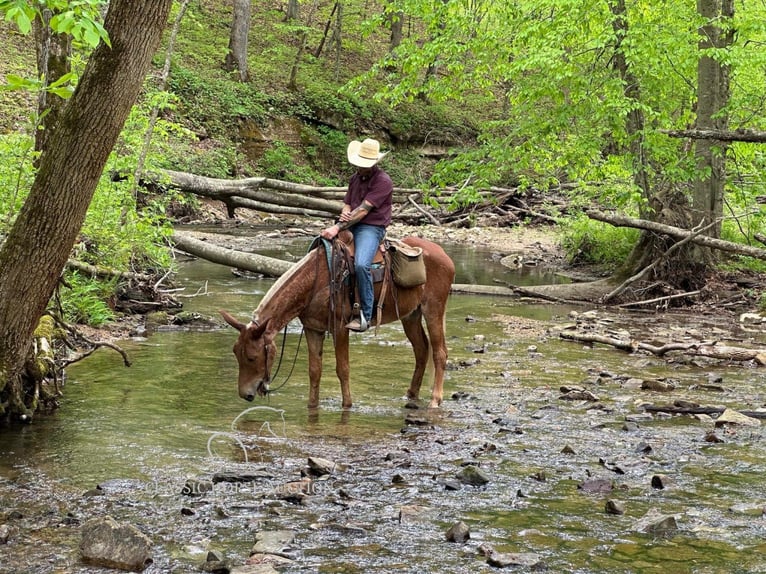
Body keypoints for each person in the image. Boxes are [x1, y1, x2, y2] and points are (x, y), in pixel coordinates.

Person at [321, 138, 393, 332]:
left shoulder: (383, 181)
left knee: (361, 264)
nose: (360, 168)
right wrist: (344, 212)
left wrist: (338, 226)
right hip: (351, 223)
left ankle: (365, 315)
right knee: (323, 252)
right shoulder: (355, 179)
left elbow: (363, 210)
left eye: (364, 165)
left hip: (371, 227)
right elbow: (348, 203)